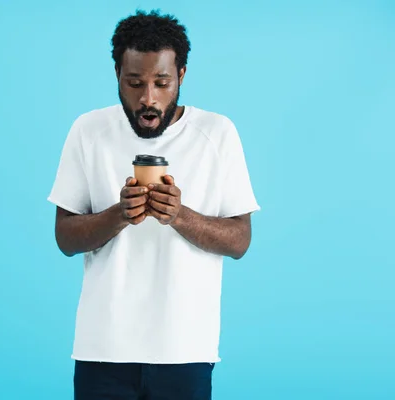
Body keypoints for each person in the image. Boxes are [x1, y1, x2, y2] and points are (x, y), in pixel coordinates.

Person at [47, 9, 260, 400]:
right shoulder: (88, 130)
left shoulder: (217, 133)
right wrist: (118, 215)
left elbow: (240, 240)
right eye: (134, 83)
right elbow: (64, 237)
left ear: (181, 76)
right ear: (117, 75)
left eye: (161, 83)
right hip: (102, 350)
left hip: (185, 349)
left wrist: (180, 216)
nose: (148, 99)